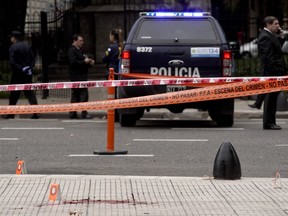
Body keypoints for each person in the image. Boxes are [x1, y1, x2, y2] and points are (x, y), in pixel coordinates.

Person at [258, 16, 286, 130]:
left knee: (272, 98)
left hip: (274, 72)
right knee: (271, 99)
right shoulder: (265, 37)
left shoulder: (270, 35)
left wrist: (281, 36)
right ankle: (269, 122)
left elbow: (277, 48)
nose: (278, 26)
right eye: (276, 24)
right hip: (272, 73)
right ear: (268, 25)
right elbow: (268, 57)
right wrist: (276, 71)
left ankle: (270, 121)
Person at [3, 31, 40, 119]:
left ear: (14, 38)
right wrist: (29, 68)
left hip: (17, 74)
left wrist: (21, 68)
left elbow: (12, 62)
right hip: (27, 74)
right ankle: (36, 112)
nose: (10, 39)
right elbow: (33, 59)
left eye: (11, 37)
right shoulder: (27, 46)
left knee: (14, 94)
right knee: (29, 93)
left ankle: (10, 113)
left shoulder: (13, 47)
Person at [67, 34, 94, 119]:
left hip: (82, 75)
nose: (82, 42)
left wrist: (89, 62)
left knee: (76, 94)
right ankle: (83, 112)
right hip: (77, 76)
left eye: (82, 41)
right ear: (75, 41)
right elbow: (73, 62)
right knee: (83, 94)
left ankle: (73, 112)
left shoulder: (80, 50)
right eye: (80, 41)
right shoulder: (71, 51)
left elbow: (83, 60)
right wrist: (84, 62)